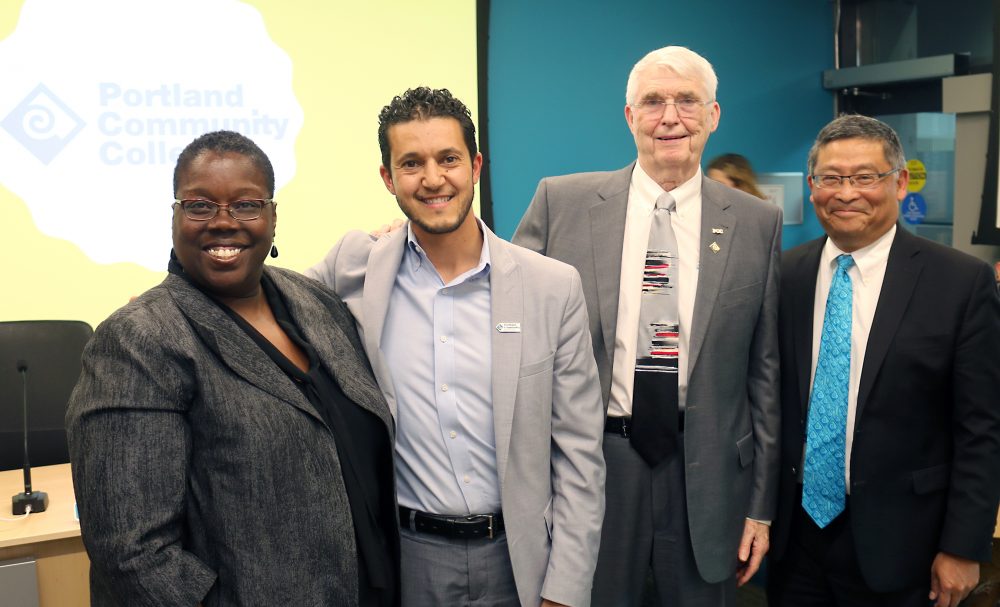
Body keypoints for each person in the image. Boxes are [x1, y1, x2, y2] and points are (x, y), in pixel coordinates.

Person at [66, 131, 399, 607]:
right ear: (175, 217)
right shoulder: (139, 341)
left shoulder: (318, 303)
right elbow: (131, 553)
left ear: (272, 217)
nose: (224, 223)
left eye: (245, 205)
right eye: (200, 205)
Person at [306, 87, 606, 607]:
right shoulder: (355, 266)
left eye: (448, 159)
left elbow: (580, 453)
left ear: (476, 164)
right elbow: (265, 302)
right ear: (388, 178)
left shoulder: (551, 287)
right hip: (407, 560)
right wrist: (178, 298)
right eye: (411, 163)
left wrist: (565, 589)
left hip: (520, 562)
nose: (433, 178)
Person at [513, 46, 780, 606]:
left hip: (708, 477)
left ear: (713, 116)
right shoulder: (561, 204)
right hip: (596, 466)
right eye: (653, 102)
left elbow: (765, 376)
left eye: (687, 101)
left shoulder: (757, 223)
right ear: (630, 116)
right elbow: (501, 303)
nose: (670, 117)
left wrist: (760, 505)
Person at [768, 114, 1000, 607]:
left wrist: (962, 546)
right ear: (812, 188)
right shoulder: (784, 275)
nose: (846, 192)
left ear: (898, 183)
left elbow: (982, 428)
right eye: (831, 178)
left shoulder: (960, 282)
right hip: (797, 541)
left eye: (864, 177)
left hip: (906, 546)